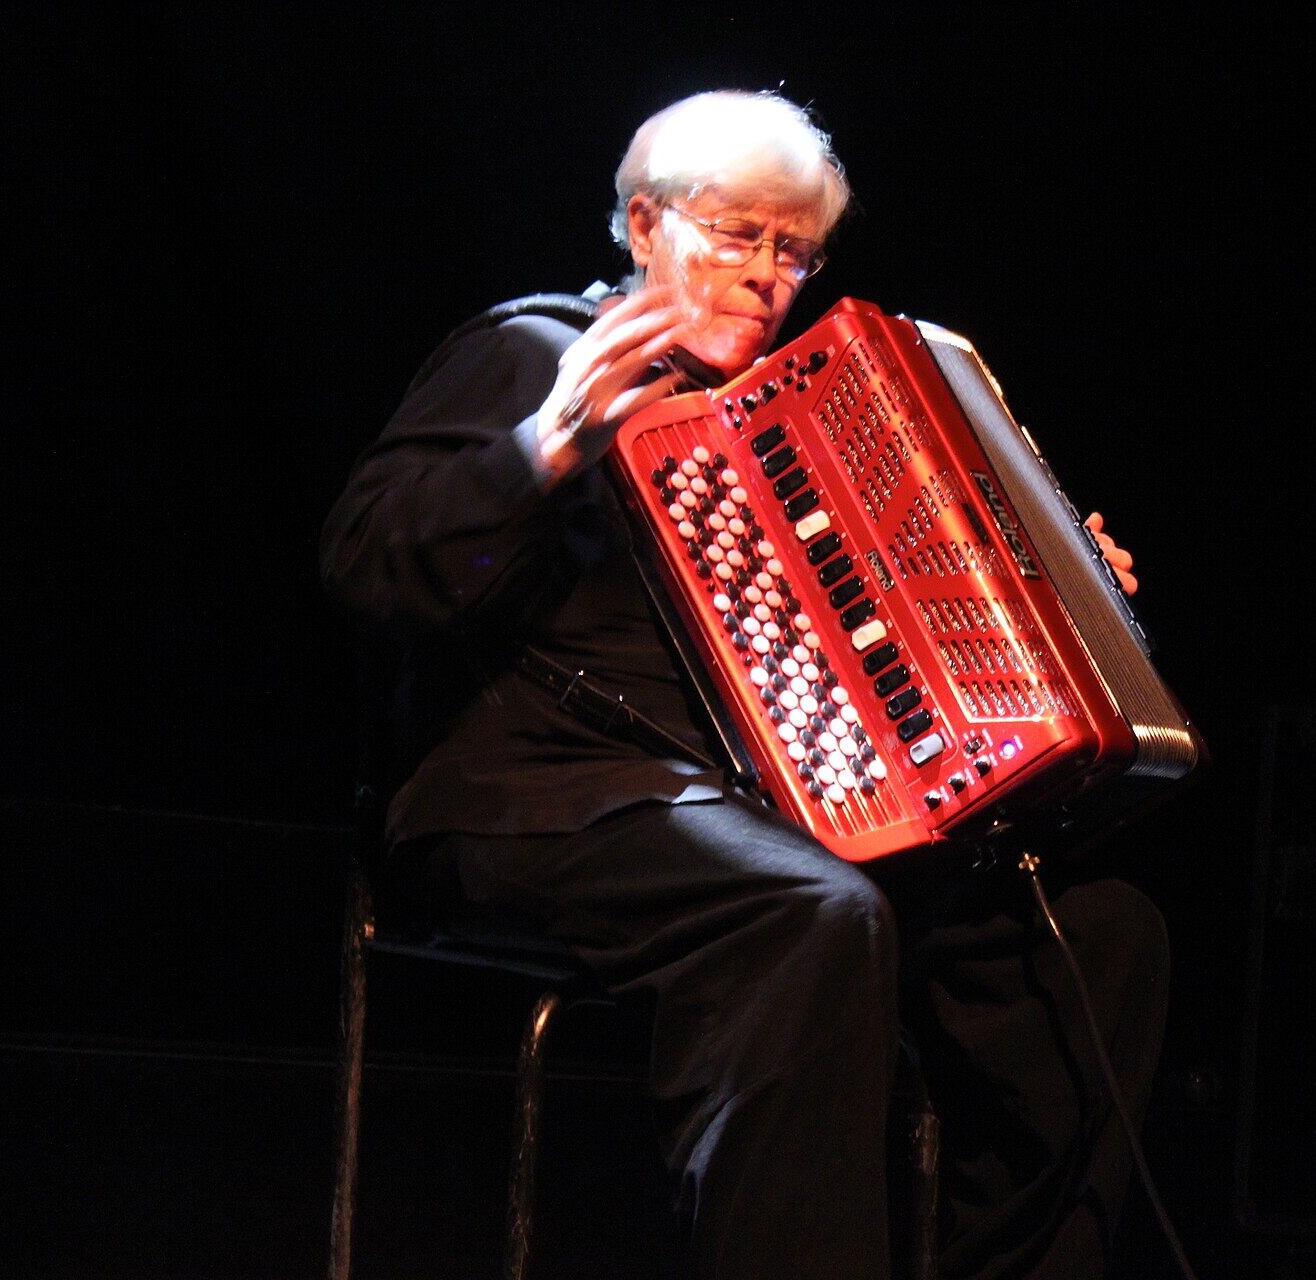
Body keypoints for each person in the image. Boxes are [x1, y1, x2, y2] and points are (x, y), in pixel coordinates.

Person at [320, 90, 1170, 1280]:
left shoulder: (803, 423)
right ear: (642, 225)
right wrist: (544, 447)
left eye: (795, 251)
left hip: (769, 820)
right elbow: (369, 566)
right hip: (533, 792)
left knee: (1097, 939)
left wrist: (1053, 584)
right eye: (737, 235)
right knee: (811, 916)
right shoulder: (529, 351)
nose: (768, 275)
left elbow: (897, 647)